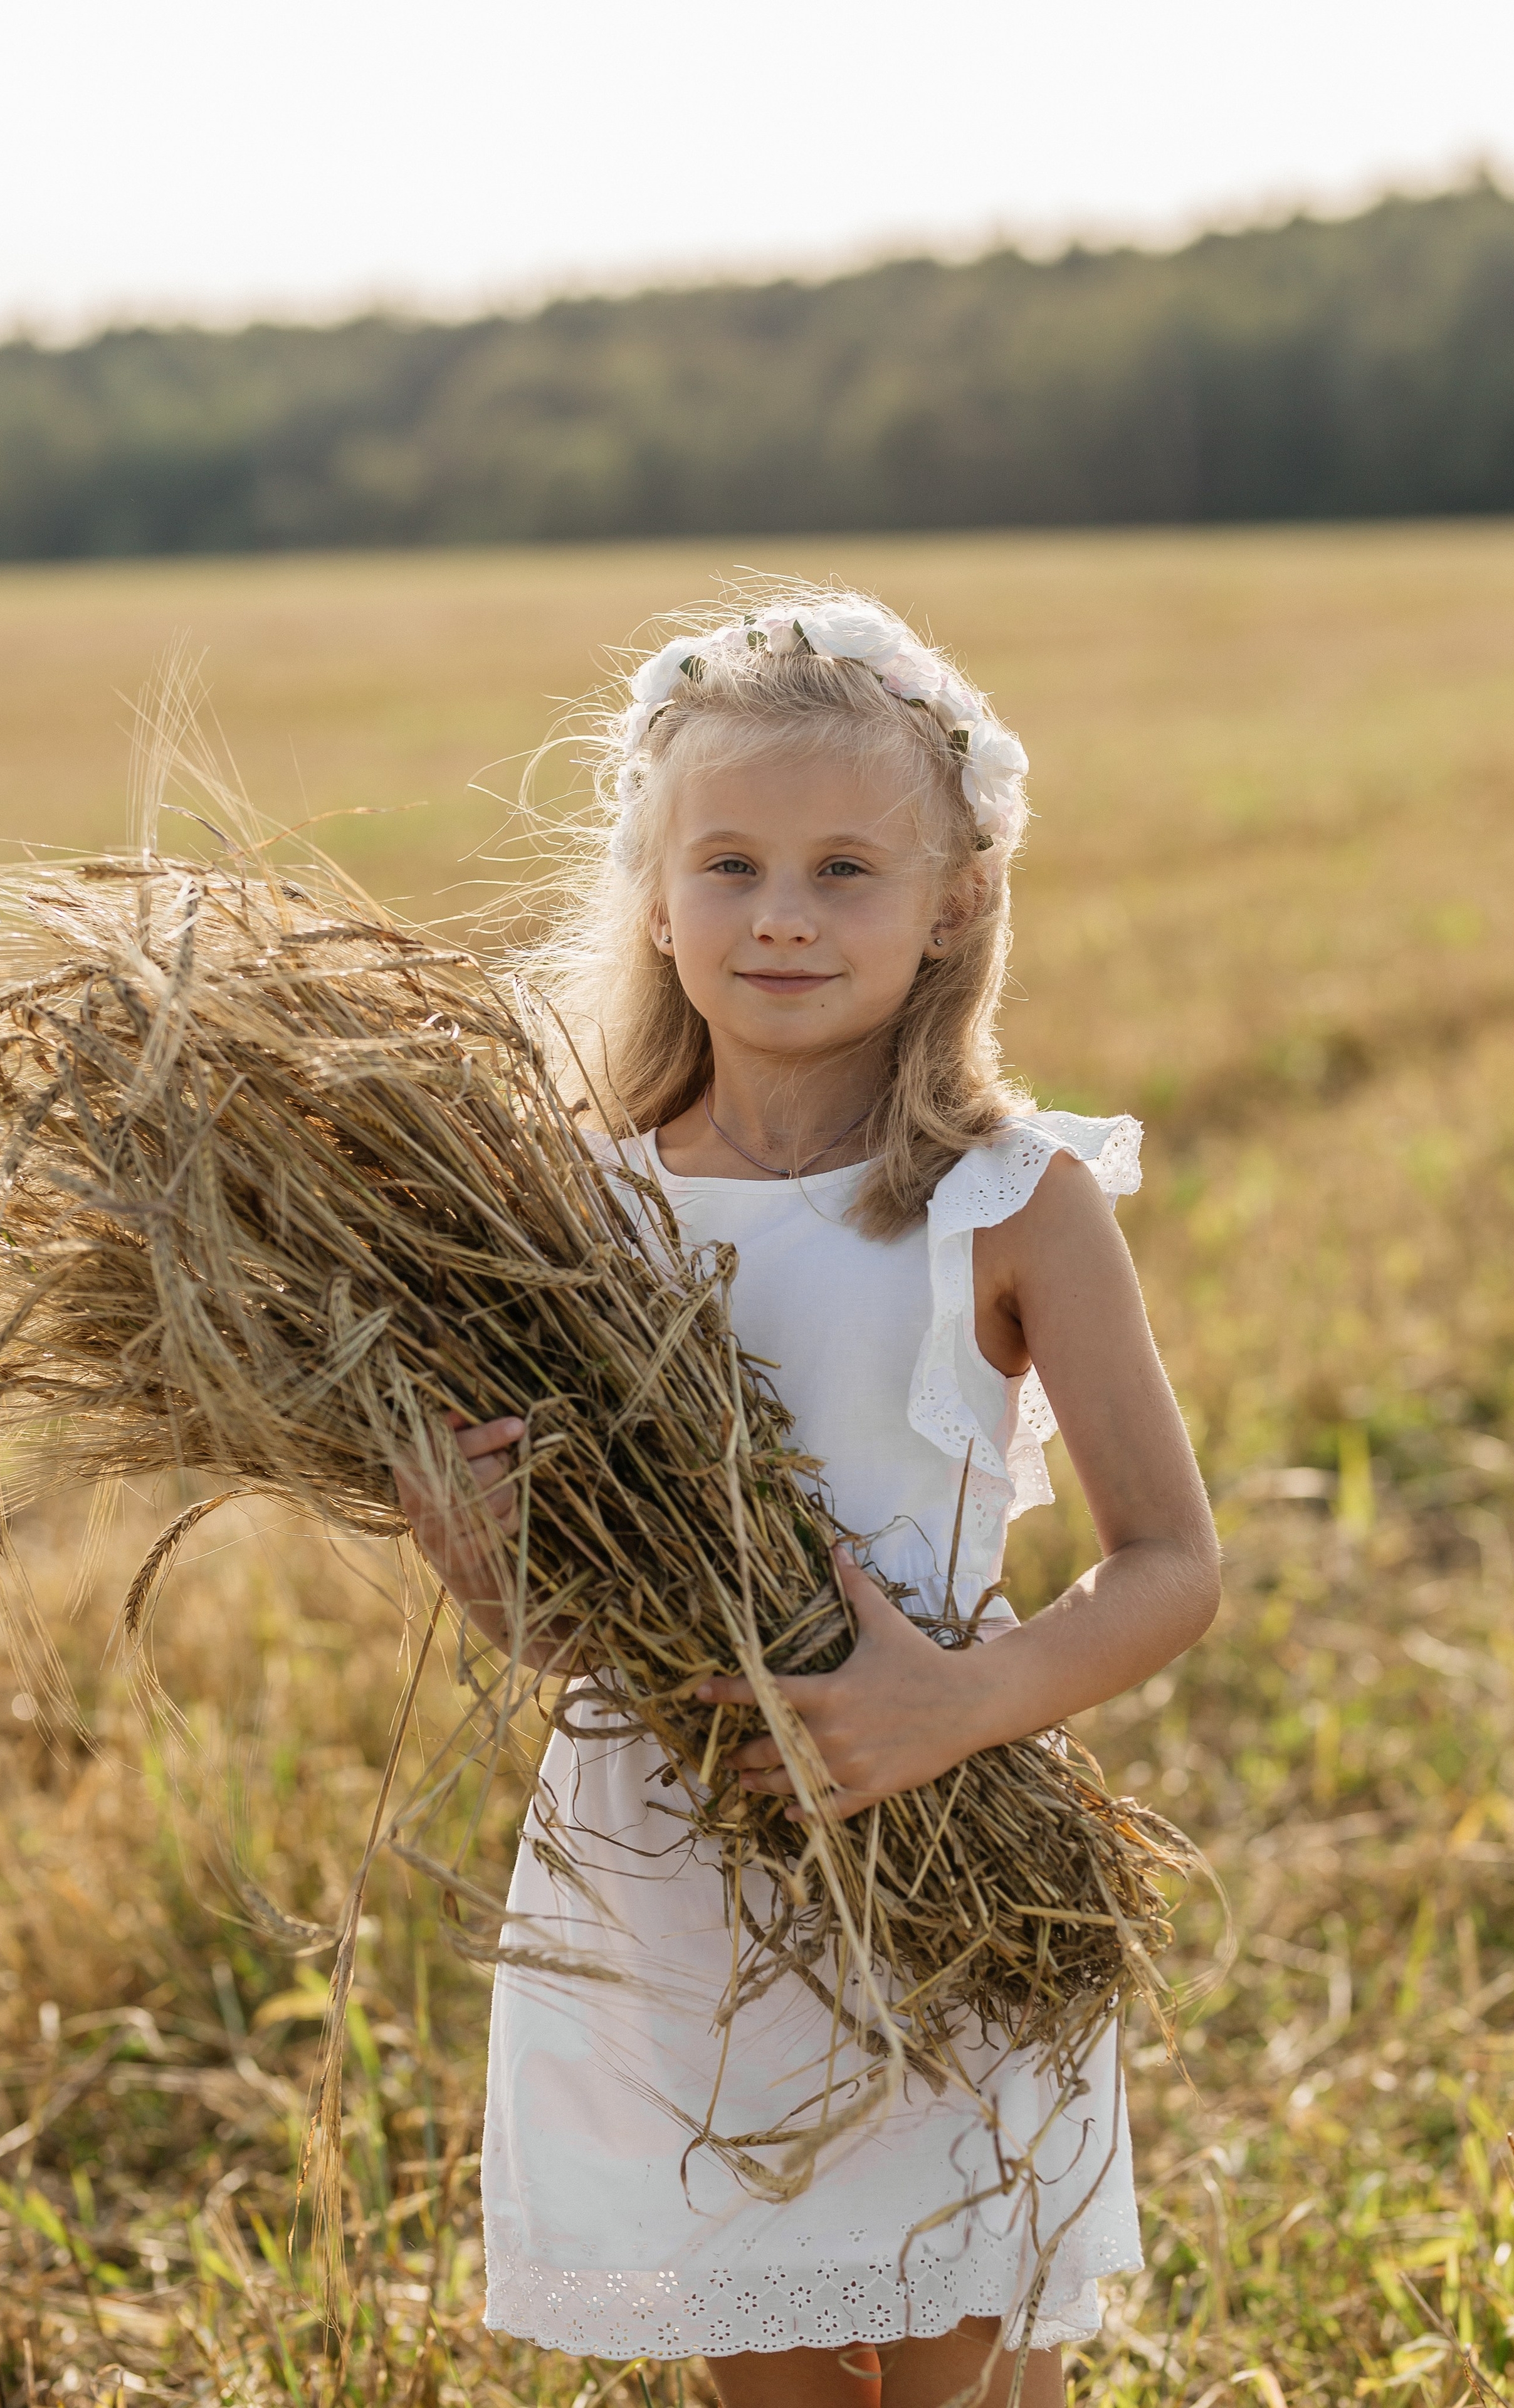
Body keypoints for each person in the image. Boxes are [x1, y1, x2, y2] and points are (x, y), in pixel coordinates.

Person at [397, 588, 1219, 2407]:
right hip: (673, 1875)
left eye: (847, 868)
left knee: (963, 2378)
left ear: (956, 902)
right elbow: (558, 1626)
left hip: (941, 1859)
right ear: (657, 890)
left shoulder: (1008, 1202)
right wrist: (464, 1536)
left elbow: (1174, 1566)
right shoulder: (570, 1224)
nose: (780, 912)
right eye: (732, 864)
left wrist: (955, 1708)